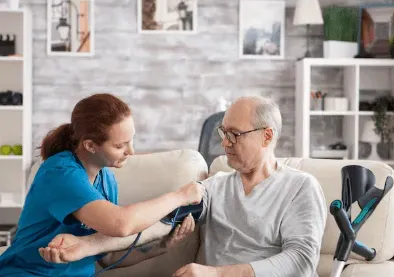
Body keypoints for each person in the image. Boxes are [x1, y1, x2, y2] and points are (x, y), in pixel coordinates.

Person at [39, 96, 327, 277]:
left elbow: (301, 261)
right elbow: (158, 224)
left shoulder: (300, 187)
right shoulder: (215, 187)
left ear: (266, 137)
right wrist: (87, 246)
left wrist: (216, 274)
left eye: (235, 135)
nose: (225, 143)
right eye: (223, 133)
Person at [0, 93, 203, 276]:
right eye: (120, 145)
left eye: (131, 141)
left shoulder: (106, 180)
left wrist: (163, 246)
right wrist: (180, 196)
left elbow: (107, 257)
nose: (131, 151)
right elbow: (121, 224)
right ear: (90, 145)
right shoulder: (60, 173)